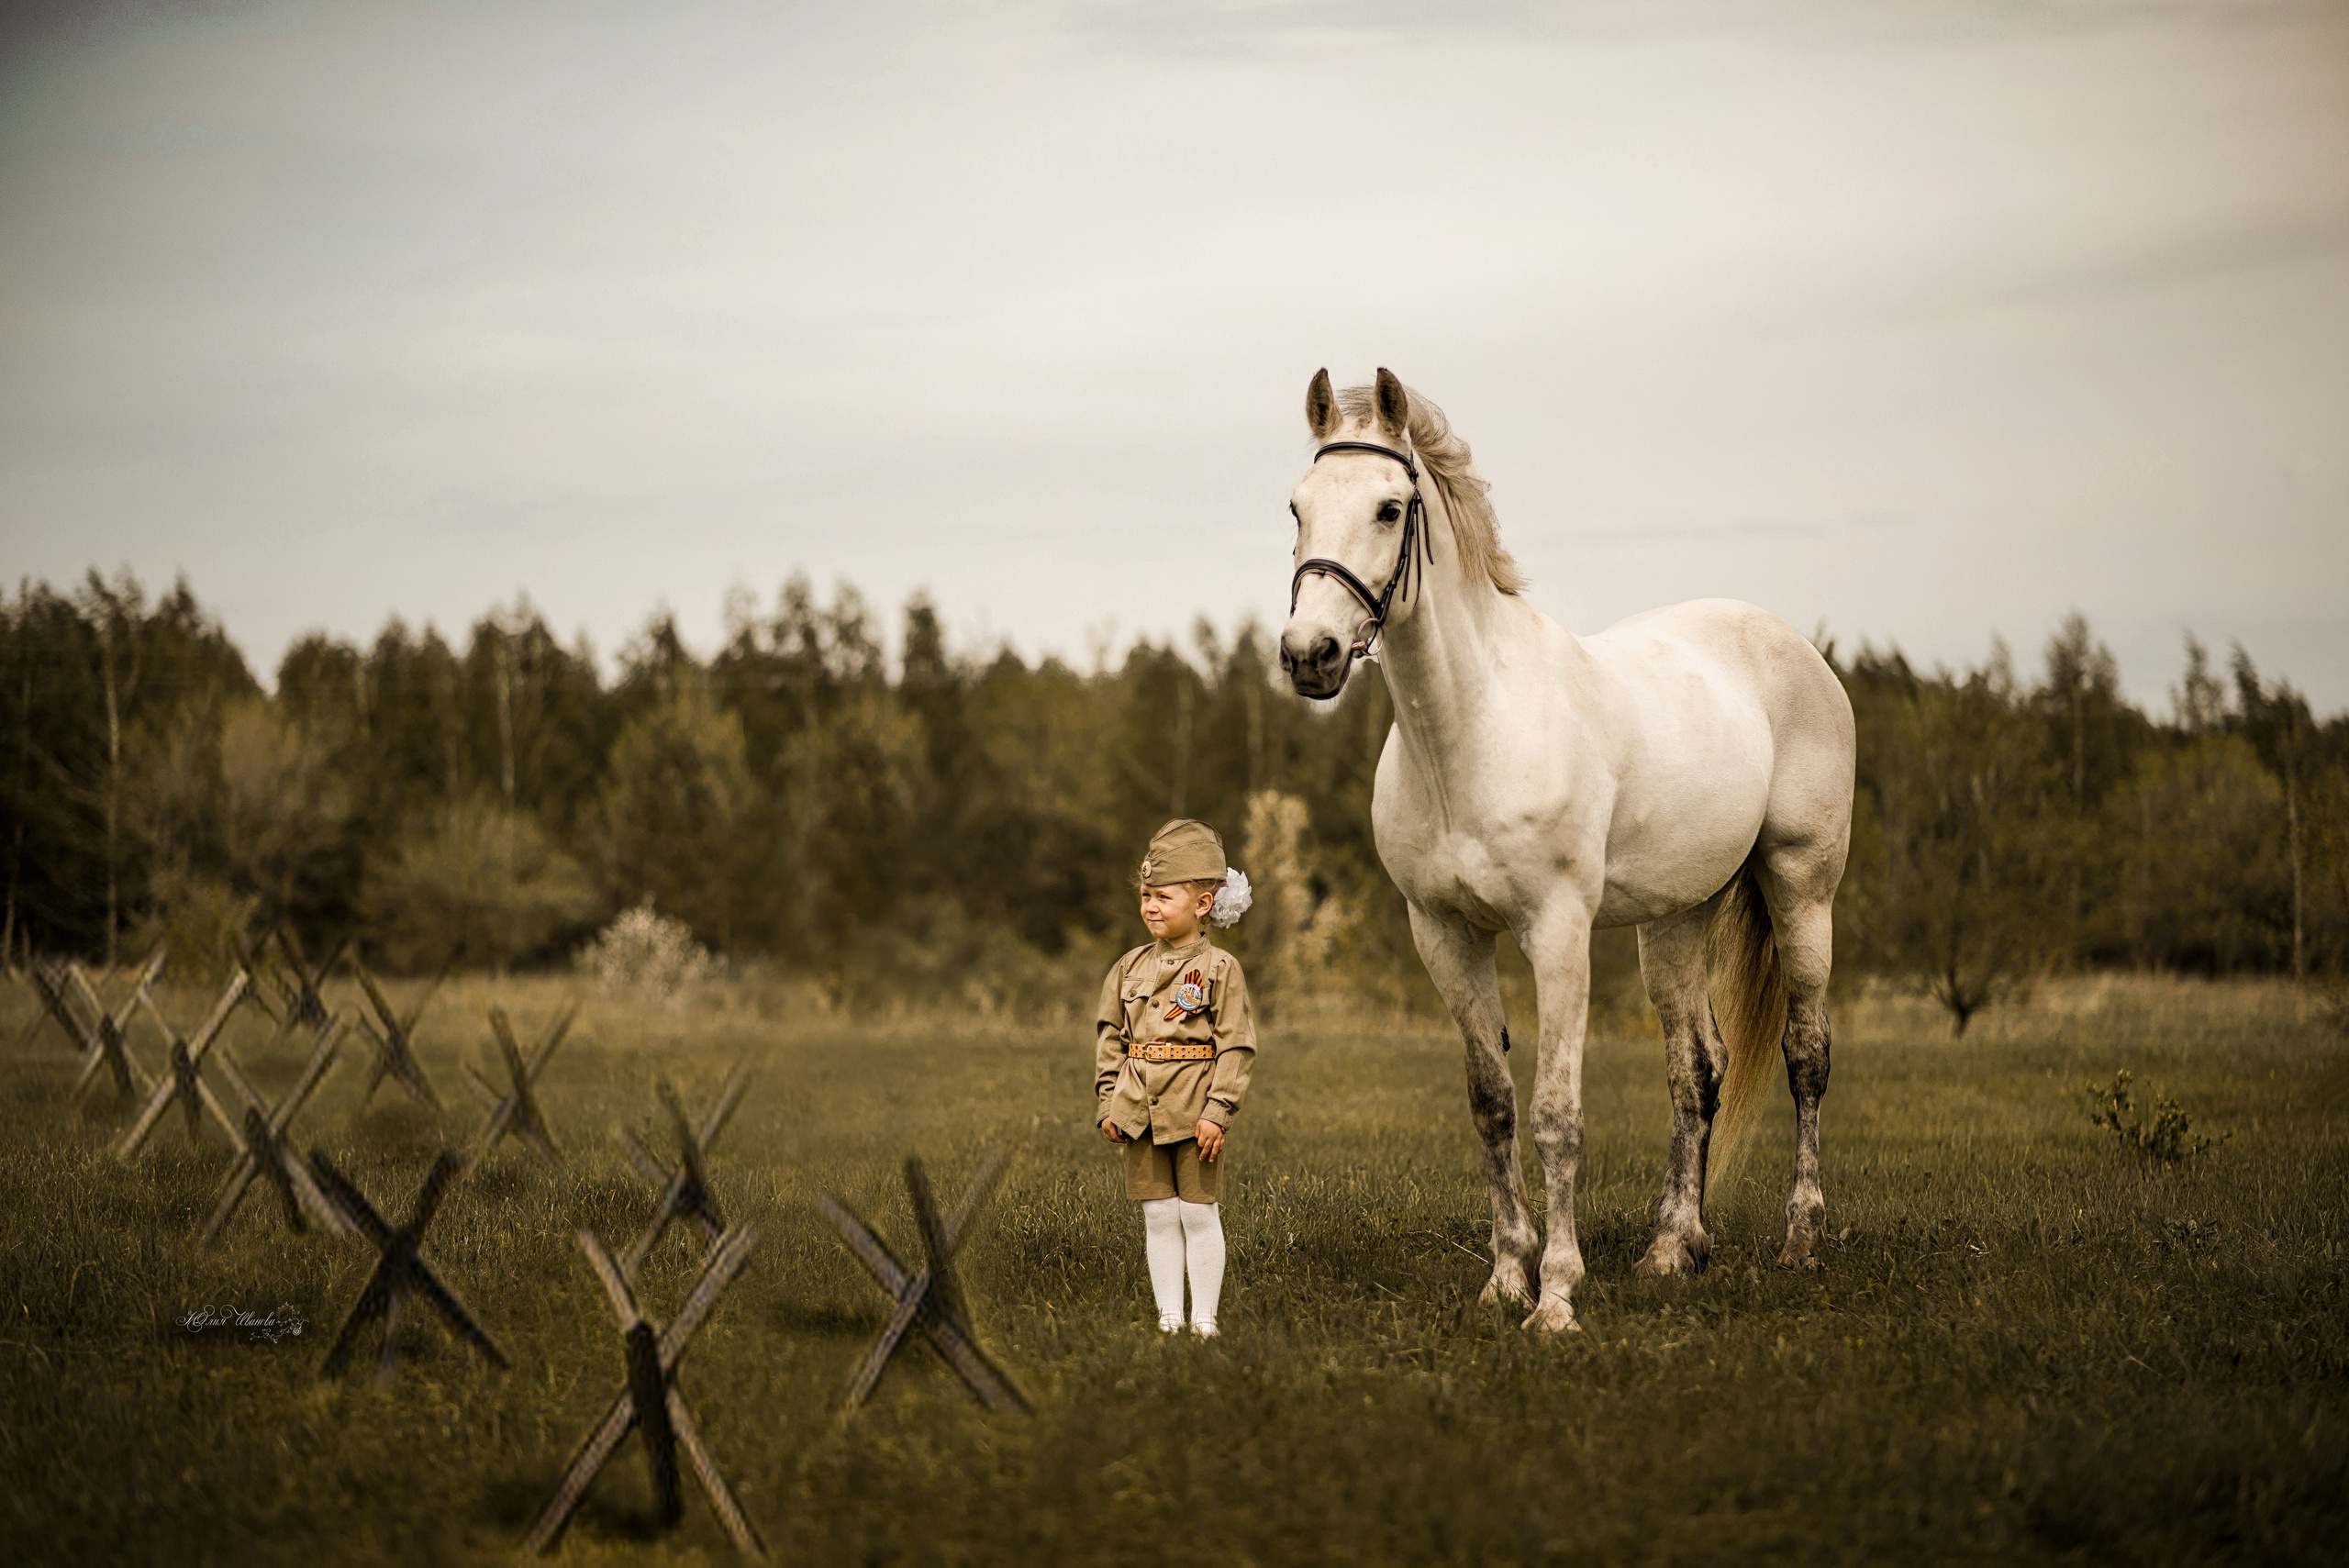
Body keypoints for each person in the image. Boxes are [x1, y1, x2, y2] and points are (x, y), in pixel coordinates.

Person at [1096, 818, 1256, 1335]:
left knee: (1198, 1214)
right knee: (1159, 1216)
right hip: (1138, 1112)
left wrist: (1218, 1111)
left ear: (1202, 905)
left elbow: (1236, 1044)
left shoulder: (1220, 969)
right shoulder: (1126, 969)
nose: (1150, 906)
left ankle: (1204, 1318)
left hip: (1194, 1115)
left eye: (1163, 896)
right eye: (1145, 895)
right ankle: (1169, 1316)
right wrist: (1108, 1104)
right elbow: (1109, 1041)